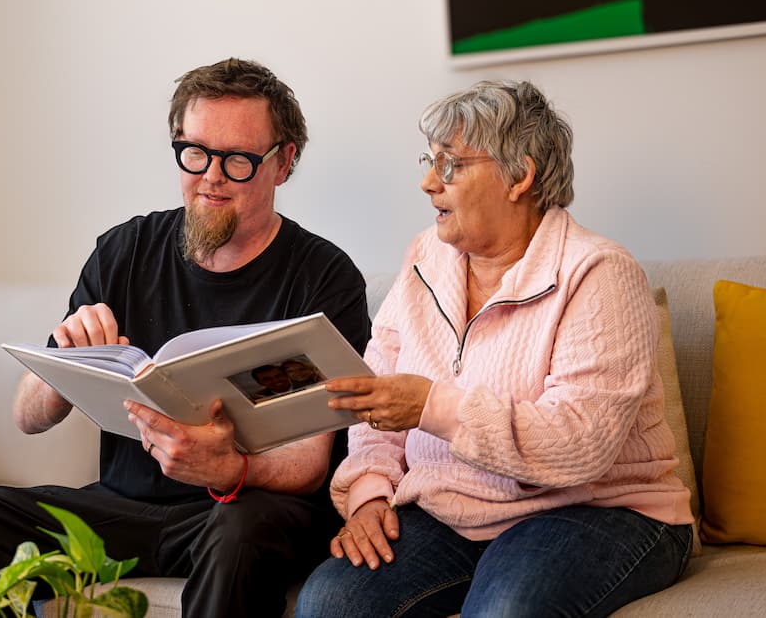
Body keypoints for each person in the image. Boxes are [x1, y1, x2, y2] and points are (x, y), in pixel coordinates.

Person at [0, 58, 371, 618]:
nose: (211, 176)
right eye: (195, 152)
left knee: (244, 529)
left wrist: (231, 469)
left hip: (242, 509)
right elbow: (28, 417)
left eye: (238, 160)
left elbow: (312, 462)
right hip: (121, 509)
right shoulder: (125, 250)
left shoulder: (323, 276)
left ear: (284, 162)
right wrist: (64, 366)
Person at [295, 80, 694, 617]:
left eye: (450, 165)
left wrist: (430, 407)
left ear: (520, 176)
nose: (427, 182)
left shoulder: (597, 273)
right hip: (450, 511)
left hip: (597, 510)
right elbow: (374, 400)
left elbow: (581, 443)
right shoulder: (422, 262)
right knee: (330, 603)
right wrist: (368, 494)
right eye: (428, 161)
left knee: (507, 609)